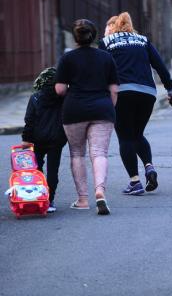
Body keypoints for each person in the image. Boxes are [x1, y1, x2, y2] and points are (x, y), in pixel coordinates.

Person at [99, 12, 172, 195]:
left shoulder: (106, 43)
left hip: (122, 92)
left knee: (125, 137)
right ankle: (149, 167)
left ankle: (135, 182)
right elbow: (159, 65)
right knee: (137, 134)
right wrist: (170, 88)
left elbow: (100, 69)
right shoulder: (142, 40)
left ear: (113, 27)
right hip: (147, 93)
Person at [55, 19, 118, 215]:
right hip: (102, 109)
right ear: (94, 35)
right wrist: (108, 107)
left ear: (75, 37)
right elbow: (114, 90)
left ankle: (83, 200)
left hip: (75, 110)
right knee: (99, 152)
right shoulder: (106, 58)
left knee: (77, 153)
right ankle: (100, 191)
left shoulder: (67, 58)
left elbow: (59, 89)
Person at [21, 67, 67, 213]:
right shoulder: (63, 97)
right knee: (53, 170)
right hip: (57, 139)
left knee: (37, 170)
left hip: (37, 139)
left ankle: (37, 198)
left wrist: (26, 139)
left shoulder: (35, 97)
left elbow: (29, 120)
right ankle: (50, 200)